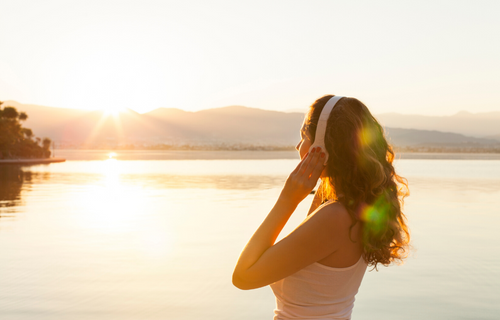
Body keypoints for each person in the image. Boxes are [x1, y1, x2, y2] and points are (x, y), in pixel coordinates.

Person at [232, 95, 410, 319]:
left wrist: (287, 200)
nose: (298, 146)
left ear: (322, 146)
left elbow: (243, 277)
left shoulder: (335, 218)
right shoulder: (352, 208)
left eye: (304, 136)